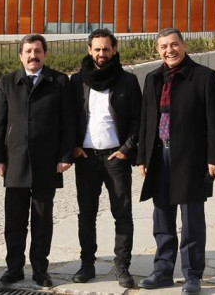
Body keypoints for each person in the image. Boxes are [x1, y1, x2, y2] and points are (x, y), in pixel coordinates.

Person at [136, 28, 215, 294]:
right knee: (161, 216)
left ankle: (192, 275)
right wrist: (142, 156)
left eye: (174, 45)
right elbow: (145, 121)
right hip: (158, 156)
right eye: (163, 46)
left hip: (191, 158)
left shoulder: (204, 77)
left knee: (192, 220)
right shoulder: (152, 78)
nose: (169, 50)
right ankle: (163, 271)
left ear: (184, 46)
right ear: (158, 50)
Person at [0, 33, 75, 287]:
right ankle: (14, 268)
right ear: (21, 55)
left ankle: (40, 270)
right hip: (14, 162)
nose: (33, 55)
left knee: (42, 221)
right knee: (14, 221)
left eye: (37, 51)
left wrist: (65, 155)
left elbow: (68, 122)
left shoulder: (59, 81)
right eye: (28, 51)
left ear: (44, 54)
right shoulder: (7, 82)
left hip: (47, 163)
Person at [70, 28, 142, 288]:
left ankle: (122, 267)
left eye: (106, 49)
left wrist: (126, 149)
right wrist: (74, 146)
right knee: (86, 214)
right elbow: (67, 118)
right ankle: (87, 264)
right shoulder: (76, 81)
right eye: (97, 49)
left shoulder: (128, 81)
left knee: (122, 213)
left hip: (116, 158)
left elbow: (138, 121)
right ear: (89, 50)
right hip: (86, 158)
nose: (102, 54)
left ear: (114, 50)